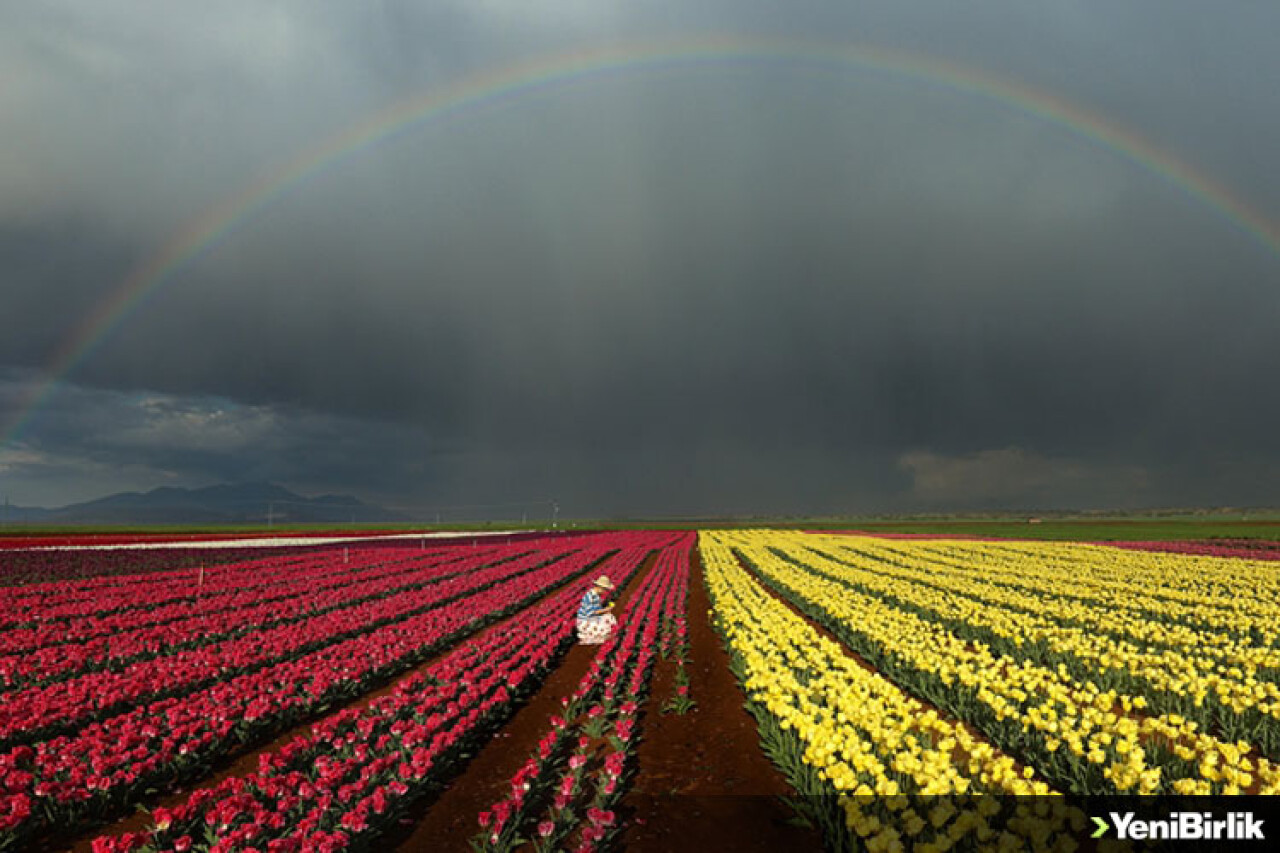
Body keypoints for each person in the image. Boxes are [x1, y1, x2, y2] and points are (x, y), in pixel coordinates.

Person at [576, 574, 617, 645]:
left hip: (593, 618)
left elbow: (598, 610)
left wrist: (606, 611)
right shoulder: (589, 596)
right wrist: (606, 610)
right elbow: (591, 612)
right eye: (605, 589)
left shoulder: (596, 596)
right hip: (585, 621)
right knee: (604, 631)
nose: (605, 591)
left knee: (610, 617)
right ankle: (586, 636)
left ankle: (591, 636)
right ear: (600, 587)